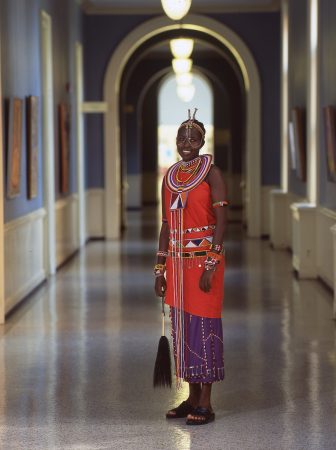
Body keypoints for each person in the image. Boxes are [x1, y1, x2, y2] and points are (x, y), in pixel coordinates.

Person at [154, 109, 228, 425]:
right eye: (181, 138)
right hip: (177, 264)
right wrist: (159, 270)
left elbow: (223, 220)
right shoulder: (170, 177)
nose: (186, 143)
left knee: (204, 327)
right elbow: (165, 224)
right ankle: (190, 397)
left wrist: (212, 263)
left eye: (193, 138)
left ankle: (206, 403)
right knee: (182, 330)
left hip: (204, 263)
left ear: (201, 141)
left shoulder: (212, 173)